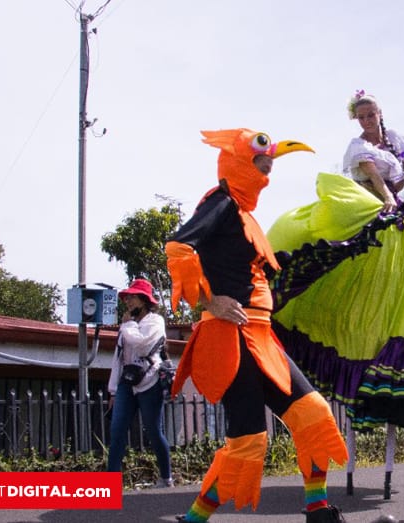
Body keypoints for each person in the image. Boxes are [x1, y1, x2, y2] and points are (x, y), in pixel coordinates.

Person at [165, 129, 348, 523]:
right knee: (248, 443)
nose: (271, 161)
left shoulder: (246, 216)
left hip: (262, 339)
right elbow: (179, 246)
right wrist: (210, 301)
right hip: (233, 339)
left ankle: (317, 508)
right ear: (238, 161)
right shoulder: (223, 203)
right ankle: (194, 520)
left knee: (314, 415)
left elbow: (256, 270)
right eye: (261, 154)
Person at [267, 92, 404, 433]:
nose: (366, 121)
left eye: (370, 115)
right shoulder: (357, 147)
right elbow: (373, 177)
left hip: (400, 217)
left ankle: (390, 364)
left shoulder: (395, 140)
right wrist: (389, 199)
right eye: (361, 116)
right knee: (344, 253)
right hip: (374, 207)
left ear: (380, 113)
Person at [106, 278, 172, 487]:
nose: (128, 301)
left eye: (132, 297)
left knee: (153, 430)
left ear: (144, 300)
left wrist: (128, 325)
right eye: (126, 298)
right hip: (127, 382)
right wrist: (113, 391)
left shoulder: (154, 322)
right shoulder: (128, 326)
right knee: (117, 431)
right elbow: (119, 358)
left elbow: (143, 346)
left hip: (150, 380)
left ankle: (166, 477)